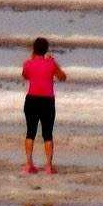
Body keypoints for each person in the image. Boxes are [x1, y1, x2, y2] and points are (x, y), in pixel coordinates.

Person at [21, 37, 68, 174]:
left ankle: (29, 164)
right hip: (47, 101)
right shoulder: (51, 64)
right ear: (46, 49)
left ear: (34, 49)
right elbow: (63, 77)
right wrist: (54, 63)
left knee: (31, 132)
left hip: (31, 100)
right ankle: (48, 166)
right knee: (47, 133)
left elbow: (25, 76)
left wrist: (32, 59)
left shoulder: (28, 63)